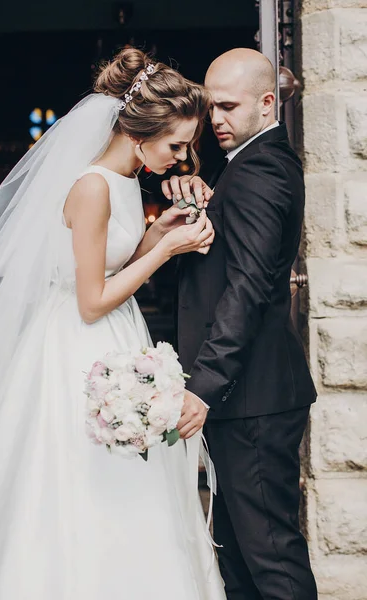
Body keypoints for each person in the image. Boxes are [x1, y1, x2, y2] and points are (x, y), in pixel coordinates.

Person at [0, 48, 225, 599]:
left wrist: (159, 234)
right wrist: (169, 251)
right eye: (175, 145)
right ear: (139, 134)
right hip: (74, 345)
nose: (182, 158)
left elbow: (114, 262)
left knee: (133, 474)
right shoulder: (91, 187)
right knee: (78, 477)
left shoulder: (127, 180)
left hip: (117, 337)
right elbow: (90, 299)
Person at [163, 48, 318, 600]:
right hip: (247, 396)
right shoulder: (248, 166)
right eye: (212, 108)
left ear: (268, 103)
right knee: (241, 560)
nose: (216, 120)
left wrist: (203, 385)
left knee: (271, 558)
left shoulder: (260, 170)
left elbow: (248, 287)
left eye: (228, 107)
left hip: (252, 397)